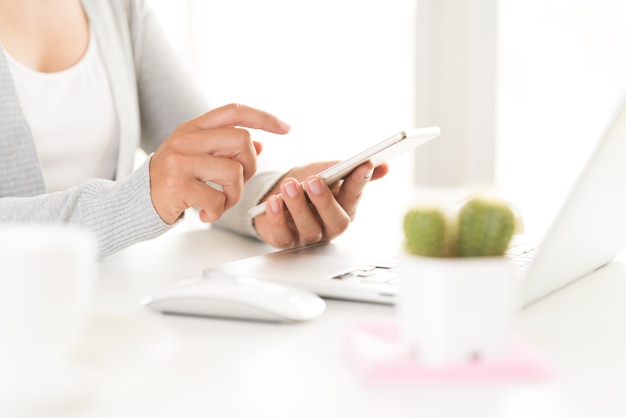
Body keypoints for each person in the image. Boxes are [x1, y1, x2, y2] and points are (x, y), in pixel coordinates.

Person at [0, 0, 388, 258]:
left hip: (97, 310)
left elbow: (197, 158)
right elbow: (151, 189)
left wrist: (273, 198)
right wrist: (135, 201)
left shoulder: (116, 7)